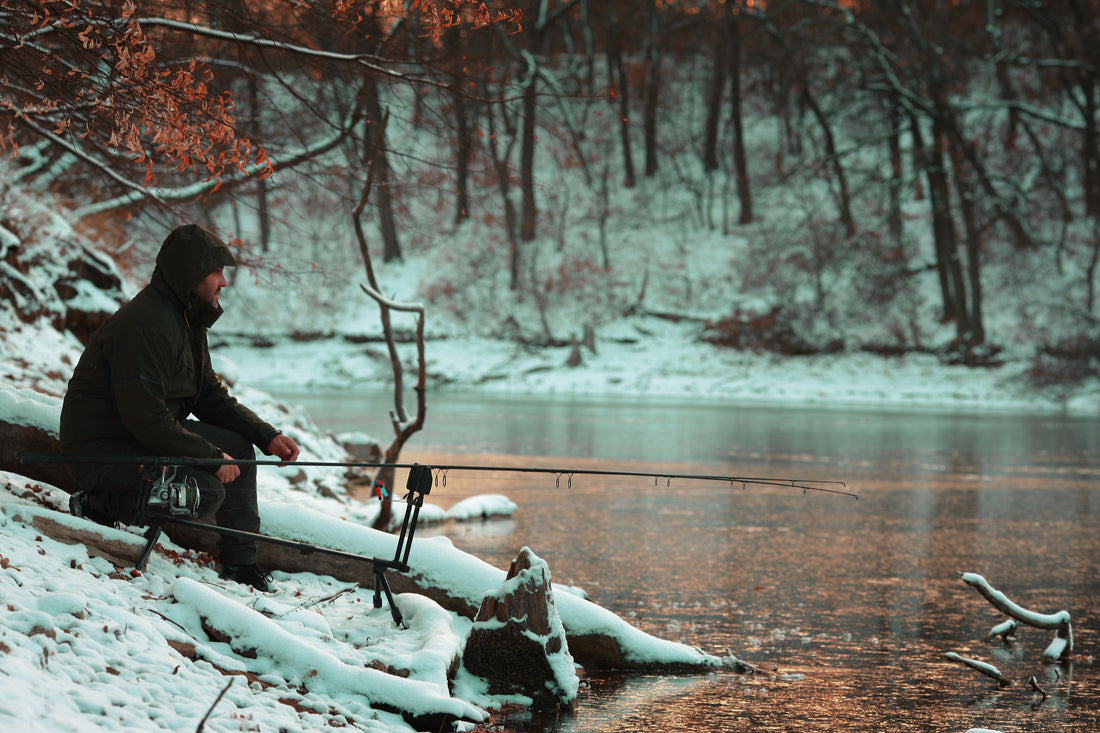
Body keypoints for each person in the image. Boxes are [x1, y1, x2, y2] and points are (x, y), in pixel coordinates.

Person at [59, 224, 300, 592]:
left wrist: (267, 435)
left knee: (239, 450)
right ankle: (98, 504)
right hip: (103, 452)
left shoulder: (188, 319)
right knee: (205, 490)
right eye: (217, 271)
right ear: (190, 272)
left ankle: (240, 565)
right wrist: (208, 455)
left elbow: (209, 395)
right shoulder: (147, 324)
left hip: (138, 437)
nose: (224, 282)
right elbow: (145, 418)